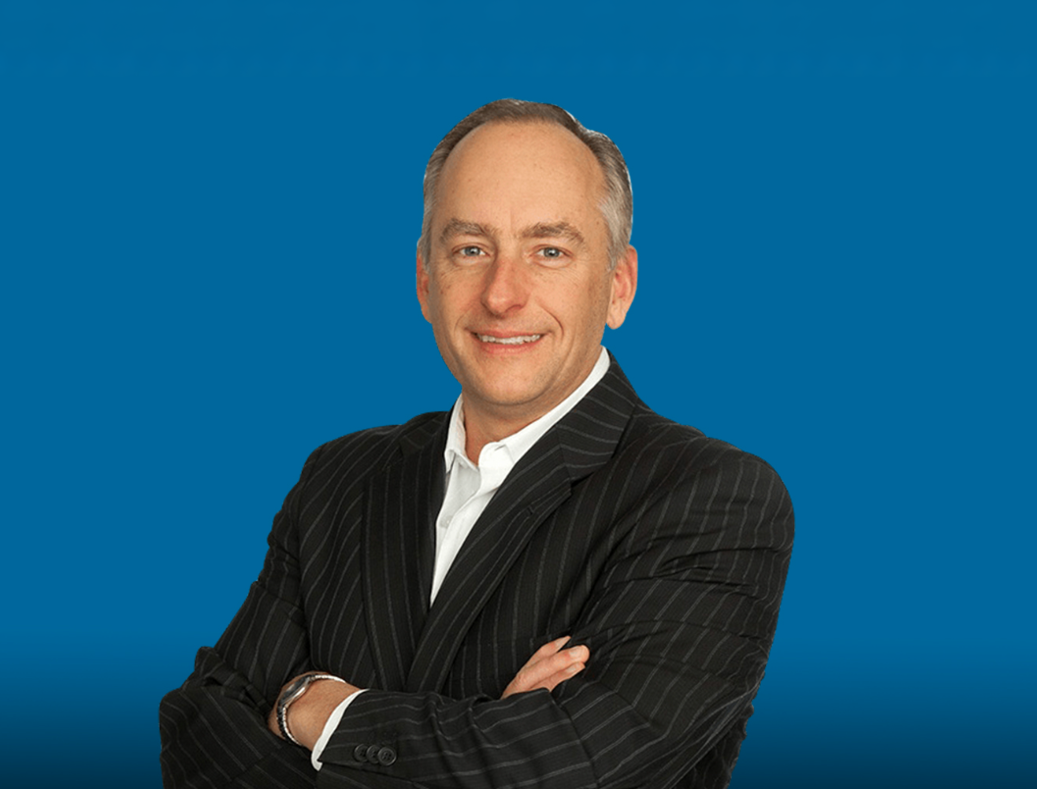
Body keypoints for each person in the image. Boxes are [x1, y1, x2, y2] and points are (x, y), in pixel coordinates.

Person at [159, 99, 794, 789]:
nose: (501, 294)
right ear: (425, 281)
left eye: (549, 251)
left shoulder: (714, 499)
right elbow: (198, 738)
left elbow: (568, 773)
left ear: (618, 286)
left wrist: (310, 710)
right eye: (471, 249)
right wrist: (490, 728)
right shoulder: (339, 479)